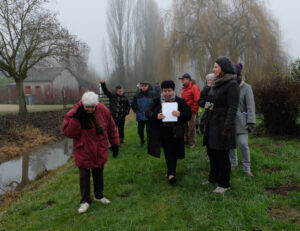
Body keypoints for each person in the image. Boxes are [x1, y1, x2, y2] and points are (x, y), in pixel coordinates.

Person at [62, 91, 119, 213]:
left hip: (100, 149)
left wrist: (115, 143)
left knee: (99, 174)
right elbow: (69, 133)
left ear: (96, 105)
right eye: (87, 107)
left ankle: (99, 196)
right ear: (83, 104)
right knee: (84, 178)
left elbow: (111, 127)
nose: (90, 109)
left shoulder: (103, 110)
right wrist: (77, 119)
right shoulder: (74, 113)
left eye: (92, 107)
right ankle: (85, 201)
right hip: (84, 150)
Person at [202, 56, 240, 194]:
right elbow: (211, 103)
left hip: (223, 125)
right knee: (212, 152)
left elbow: (233, 108)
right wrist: (205, 113)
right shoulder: (216, 83)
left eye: (216, 67)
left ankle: (224, 184)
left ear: (223, 69)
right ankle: (213, 179)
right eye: (214, 67)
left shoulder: (232, 85)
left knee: (222, 156)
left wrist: (227, 127)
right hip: (212, 123)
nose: (213, 69)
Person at [146, 80, 191, 184]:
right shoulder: (156, 101)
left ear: (173, 90)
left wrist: (180, 114)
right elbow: (147, 112)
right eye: (164, 91)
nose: (167, 93)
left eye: (169, 91)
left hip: (174, 132)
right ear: (162, 91)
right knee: (167, 152)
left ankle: (171, 174)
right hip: (161, 132)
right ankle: (170, 171)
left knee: (172, 152)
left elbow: (188, 114)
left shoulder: (180, 101)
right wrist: (156, 115)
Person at [229, 63, 256, 177]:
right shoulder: (228, 87)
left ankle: (246, 168)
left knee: (243, 144)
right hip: (230, 121)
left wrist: (251, 121)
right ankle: (233, 164)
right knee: (231, 145)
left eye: (234, 74)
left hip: (243, 122)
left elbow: (250, 106)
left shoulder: (247, 88)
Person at [100, 80, 130, 146]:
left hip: (122, 117)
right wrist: (103, 84)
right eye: (119, 91)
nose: (121, 92)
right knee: (113, 130)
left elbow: (128, 106)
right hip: (114, 117)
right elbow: (105, 91)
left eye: (122, 91)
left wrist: (126, 112)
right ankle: (112, 143)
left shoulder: (125, 97)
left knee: (121, 130)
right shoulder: (112, 96)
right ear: (116, 91)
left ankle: (121, 141)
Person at [179, 73, 200, 148]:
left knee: (191, 127)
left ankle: (192, 142)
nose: (182, 81)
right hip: (184, 111)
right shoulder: (183, 88)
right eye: (181, 80)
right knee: (185, 126)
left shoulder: (194, 87)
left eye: (183, 79)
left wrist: (194, 110)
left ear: (188, 79)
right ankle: (186, 140)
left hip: (191, 110)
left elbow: (197, 100)